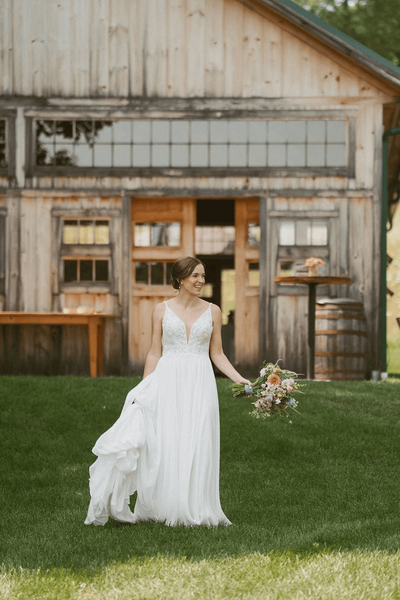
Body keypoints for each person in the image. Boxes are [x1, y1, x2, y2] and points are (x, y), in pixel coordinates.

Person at [85, 256, 252, 527]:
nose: (201, 281)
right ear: (181, 279)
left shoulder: (213, 311)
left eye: (202, 275)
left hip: (200, 380)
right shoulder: (161, 310)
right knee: (167, 442)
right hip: (167, 380)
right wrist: (144, 389)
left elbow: (217, 354)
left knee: (198, 440)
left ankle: (197, 507)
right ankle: (165, 506)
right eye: (195, 276)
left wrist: (240, 379)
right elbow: (154, 352)